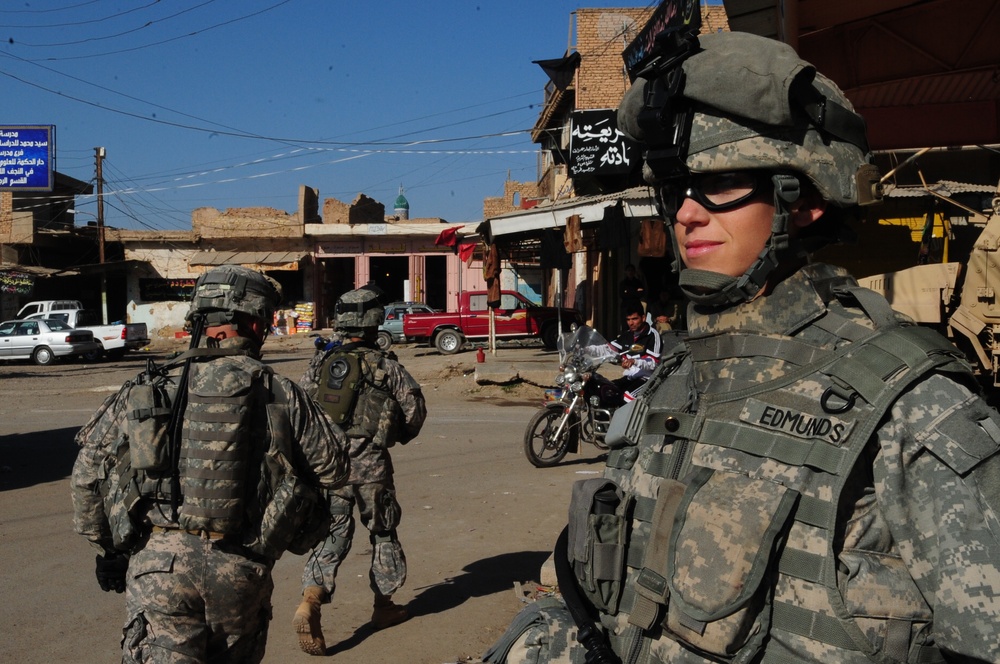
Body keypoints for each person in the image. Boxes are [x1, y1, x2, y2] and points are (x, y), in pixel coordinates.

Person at [484, 30, 1000, 664]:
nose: (687, 216)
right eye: (677, 190)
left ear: (803, 198)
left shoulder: (911, 410)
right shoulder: (682, 373)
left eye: (721, 183)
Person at [71, 265, 350, 664]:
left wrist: (109, 550)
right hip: (240, 569)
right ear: (256, 323)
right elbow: (335, 469)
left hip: (157, 567)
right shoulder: (279, 390)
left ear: (198, 319)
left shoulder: (146, 386)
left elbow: (85, 478)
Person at [293, 284, 427, 655]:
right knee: (382, 533)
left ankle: (312, 599)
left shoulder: (321, 363)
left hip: (327, 468)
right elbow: (415, 414)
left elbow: (300, 411)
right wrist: (393, 434)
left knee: (331, 535)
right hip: (371, 468)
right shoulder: (386, 366)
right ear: (374, 322)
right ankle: (383, 607)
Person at [606, 300, 661, 400]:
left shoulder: (652, 335)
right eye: (628, 319)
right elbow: (609, 349)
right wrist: (587, 349)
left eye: (634, 319)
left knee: (627, 397)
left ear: (643, 318)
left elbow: (654, 363)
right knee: (607, 390)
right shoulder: (627, 335)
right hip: (630, 376)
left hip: (647, 378)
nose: (631, 323)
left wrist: (634, 362)